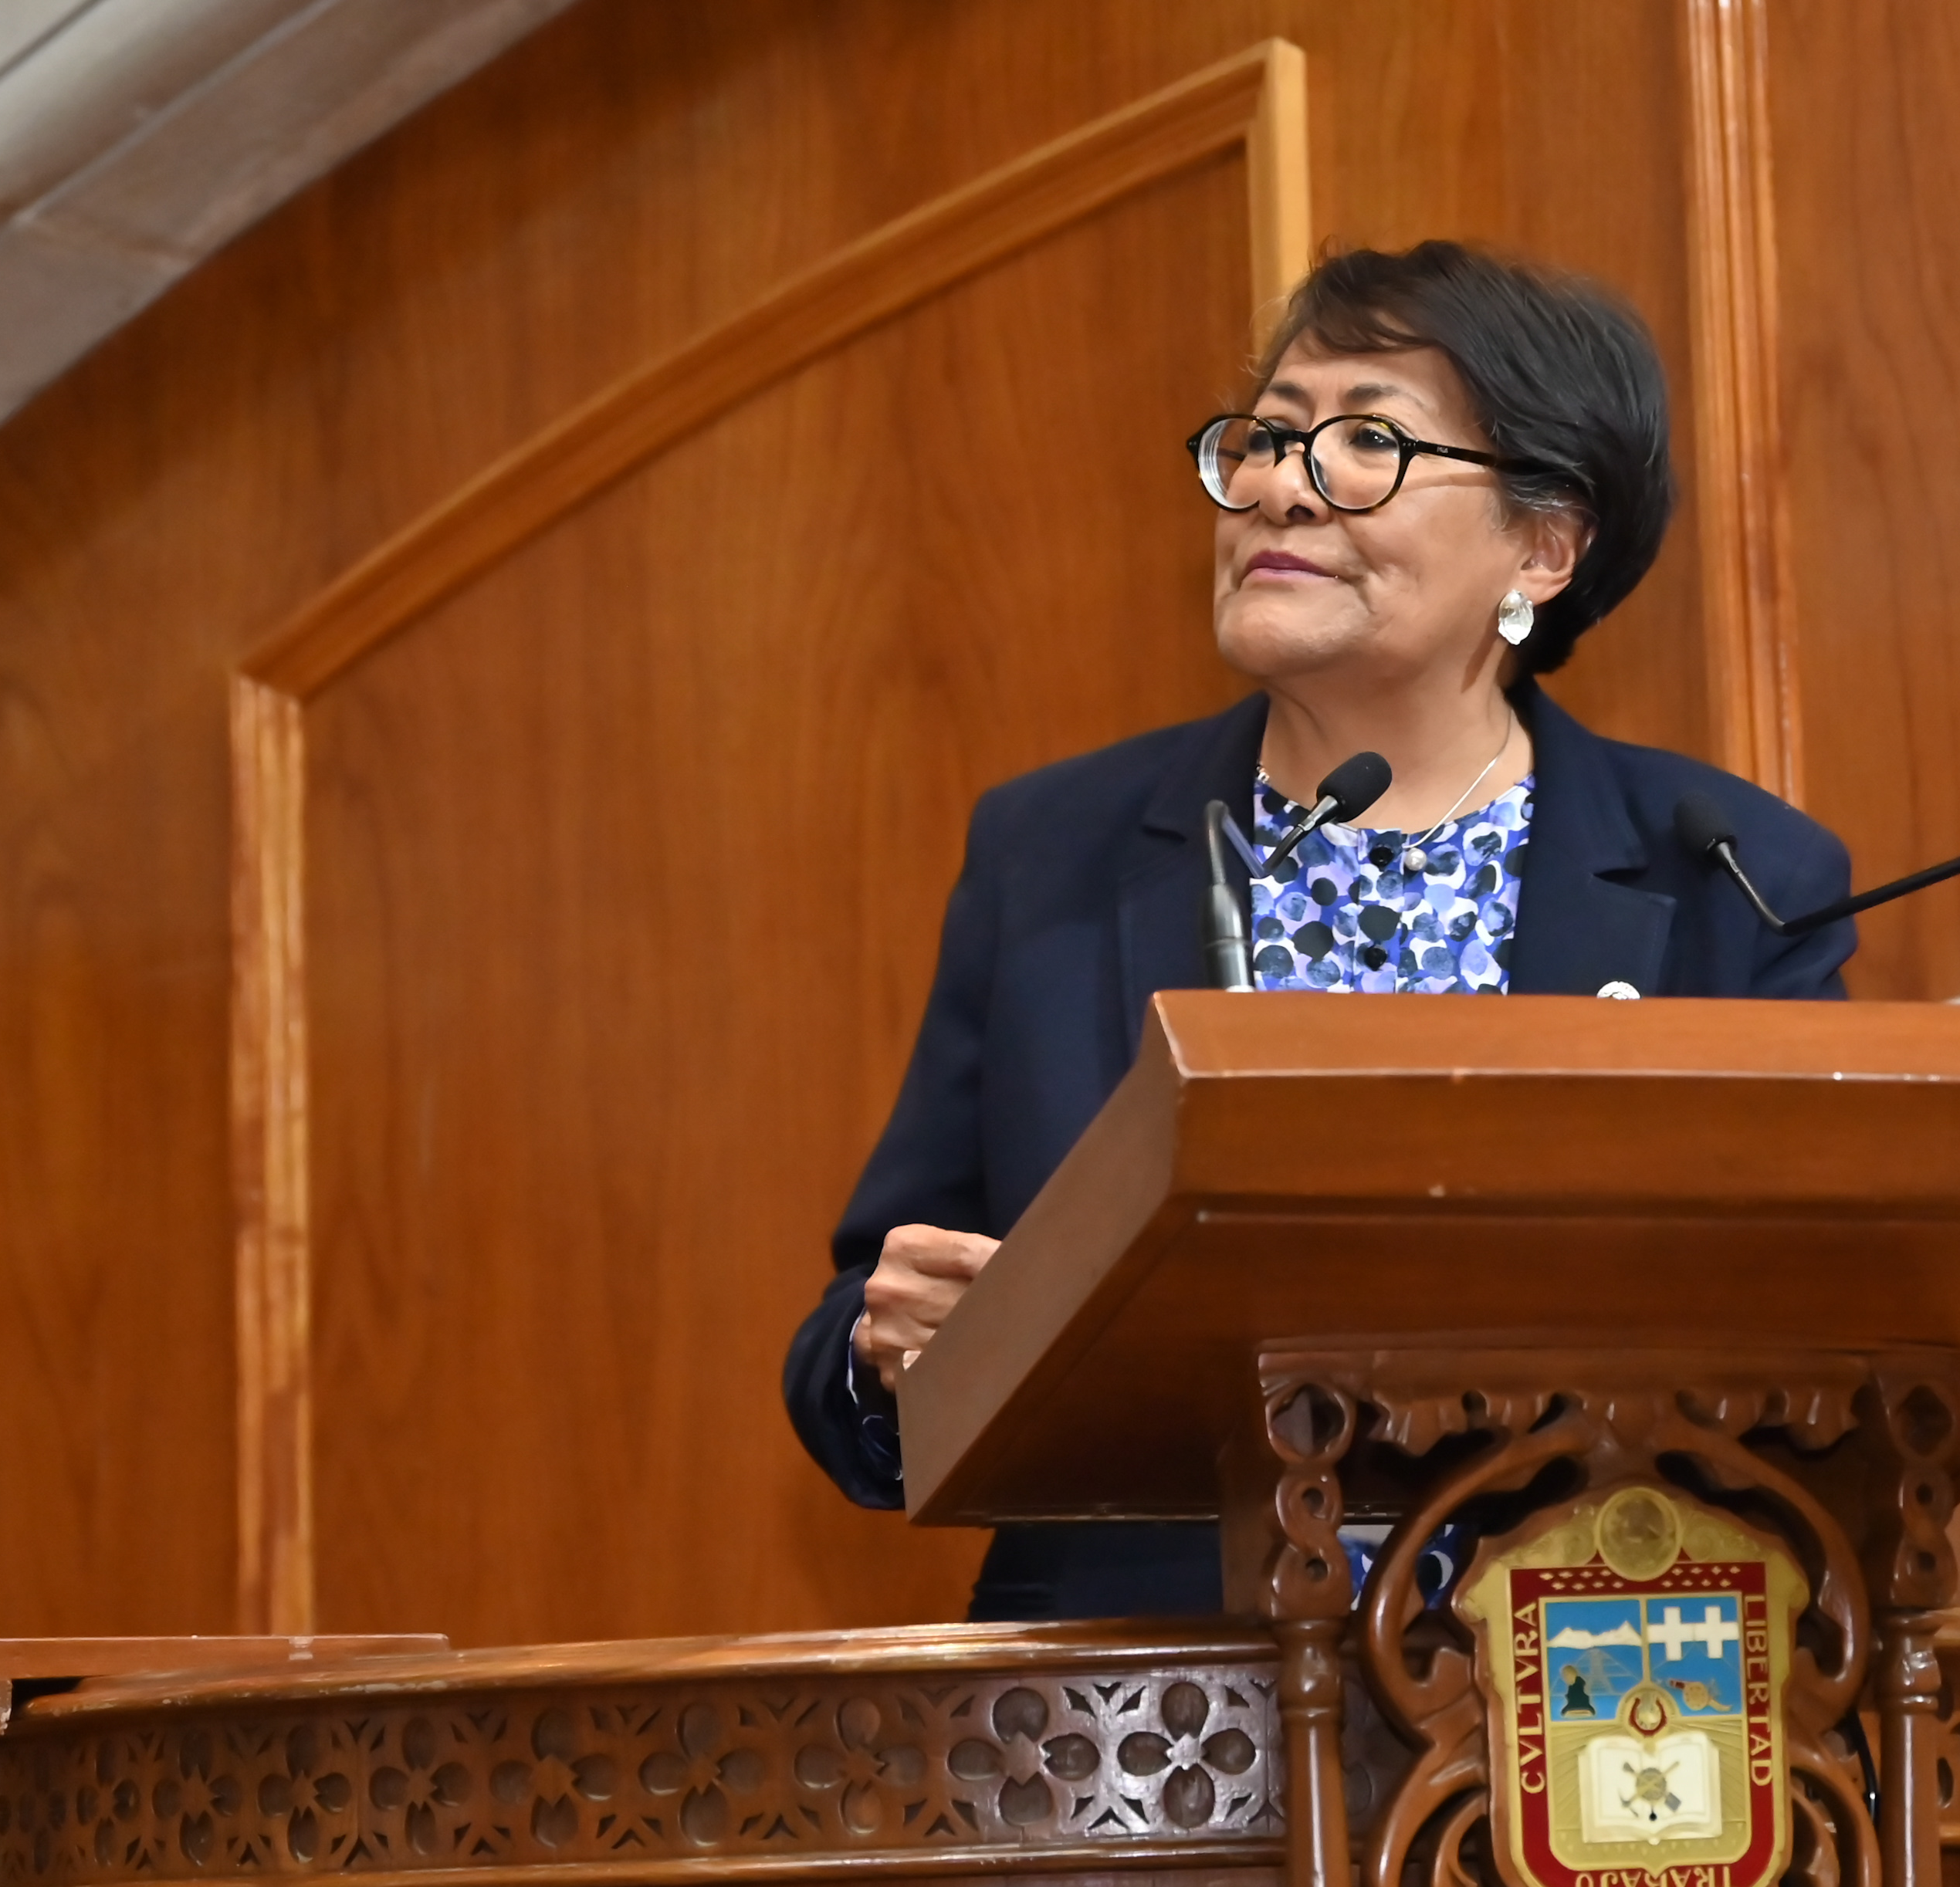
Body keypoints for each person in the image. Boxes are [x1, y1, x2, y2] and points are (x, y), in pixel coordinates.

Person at [783, 241, 1855, 1620]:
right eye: (1268, 435)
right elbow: (860, 1340)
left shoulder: (1732, 876)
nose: (1280, 485)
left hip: (1590, 1686)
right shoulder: (1055, 852)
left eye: (1368, 443)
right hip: (1148, 1697)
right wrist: (887, 1353)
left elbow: (1823, 1361)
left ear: (1541, 545)